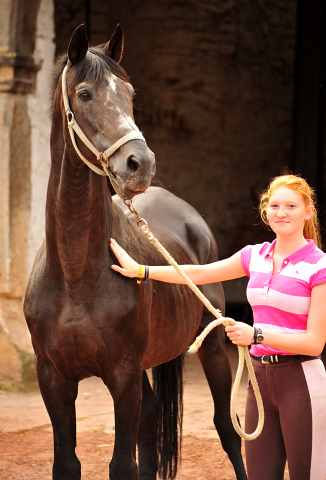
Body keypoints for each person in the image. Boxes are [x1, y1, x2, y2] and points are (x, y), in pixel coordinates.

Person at [110, 174, 326, 480]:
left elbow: (315, 343)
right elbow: (199, 272)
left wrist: (256, 334)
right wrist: (143, 271)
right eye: (275, 205)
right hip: (259, 380)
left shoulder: (320, 266)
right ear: (266, 211)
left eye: (291, 206)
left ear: (308, 212)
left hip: (301, 381)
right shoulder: (255, 255)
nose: (281, 212)